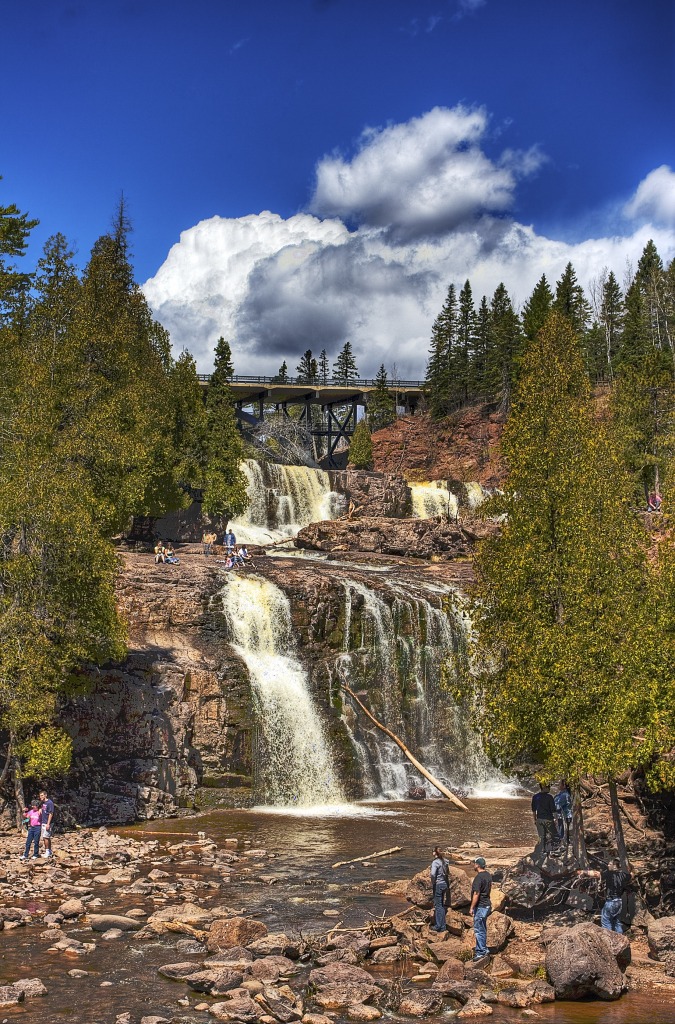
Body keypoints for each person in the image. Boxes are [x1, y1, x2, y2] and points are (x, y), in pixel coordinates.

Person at [577, 858, 632, 932]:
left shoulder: (609, 874)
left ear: (615, 866)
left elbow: (596, 873)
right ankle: (620, 939)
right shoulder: (623, 875)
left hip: (611, 902)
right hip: (619, 901)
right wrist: (630, 868)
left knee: (605, 922)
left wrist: (583, 871)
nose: (608, 865)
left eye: (610, 864)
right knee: (617, 922)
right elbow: (632, 874)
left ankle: (608, 941)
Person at [470, 856, 492, 963]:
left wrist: (472, 907)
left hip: (481, 906)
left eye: (475, 863)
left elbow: (476, 893)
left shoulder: (478, 878)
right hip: (487, 904)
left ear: (477, 865)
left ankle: (480, 952)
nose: (474, 865)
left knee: (479, 930)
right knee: (482, 928)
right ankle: (484, 949)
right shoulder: (488, 875)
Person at [531, 783, 558, 854]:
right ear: (543, 787)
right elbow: (553, 810)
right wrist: (556, 819)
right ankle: (553, 851)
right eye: (548, 786)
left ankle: (542, 852)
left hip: (539, 819)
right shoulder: (549, 797)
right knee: (554, 835)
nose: (549, 788)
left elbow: (534, 810)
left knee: (542, 837)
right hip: (548, 819)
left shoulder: (535, 797)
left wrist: (535, 820)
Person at [430, 846, 450, 932]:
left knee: (438, 906)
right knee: (441, 905)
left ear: (434, 853)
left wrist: (433, 882)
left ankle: (439, 926)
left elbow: (433, 874)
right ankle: (443, 926)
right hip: (445, 884)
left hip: (438, 884)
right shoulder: (446, 861)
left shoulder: (435, 862)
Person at [39, 789, 54, 859]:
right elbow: (42, 809)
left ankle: (47, 852)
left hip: (47, 822)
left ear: (45, 795)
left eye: (42, 795)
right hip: (43, 821)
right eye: (40, 796)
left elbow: (51, 813)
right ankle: (49, 851)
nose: (40, 797)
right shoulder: (42, 803)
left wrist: (48, 824)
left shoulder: (50, 803)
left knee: (45, 837)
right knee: (46, 837)